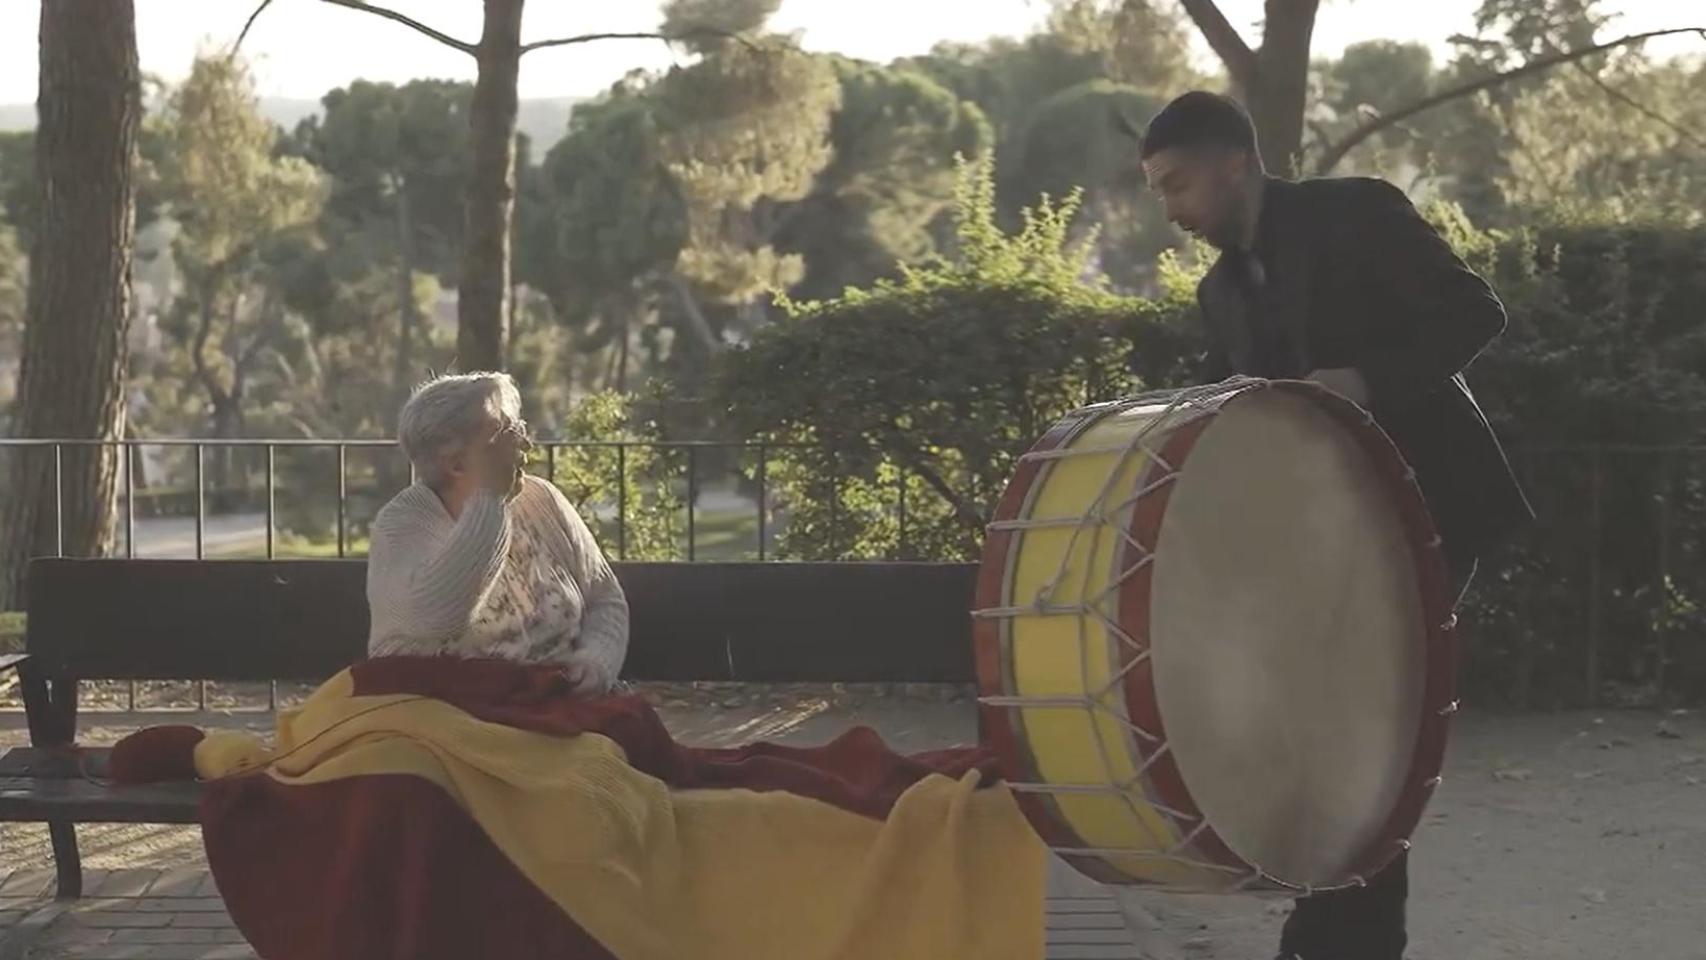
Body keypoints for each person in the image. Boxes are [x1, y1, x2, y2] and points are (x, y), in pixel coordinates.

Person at [1136, 91, 1534, 960]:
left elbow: (1477, 312)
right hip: (1324, 540)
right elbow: (1231, 409)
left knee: (1360, 719)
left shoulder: (1357, 212)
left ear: (1235, 162)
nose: (1170, 212)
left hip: (1429, 513)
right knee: (1330, 722)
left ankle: (1336, 932)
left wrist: (1365, 379)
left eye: (1177, 186)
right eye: (1160, 193)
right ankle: (1336, 924)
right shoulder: (1220, 291)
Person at [365, 372, 629, 695]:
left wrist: (595, 661)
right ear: (455, 463)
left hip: (555, 707)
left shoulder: (542, 500)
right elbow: (434, 619)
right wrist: (490, 499)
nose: (525, 443)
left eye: (518, 428)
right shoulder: (403, 525)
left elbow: (605, 599)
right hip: (441, 719)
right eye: (504, 433)